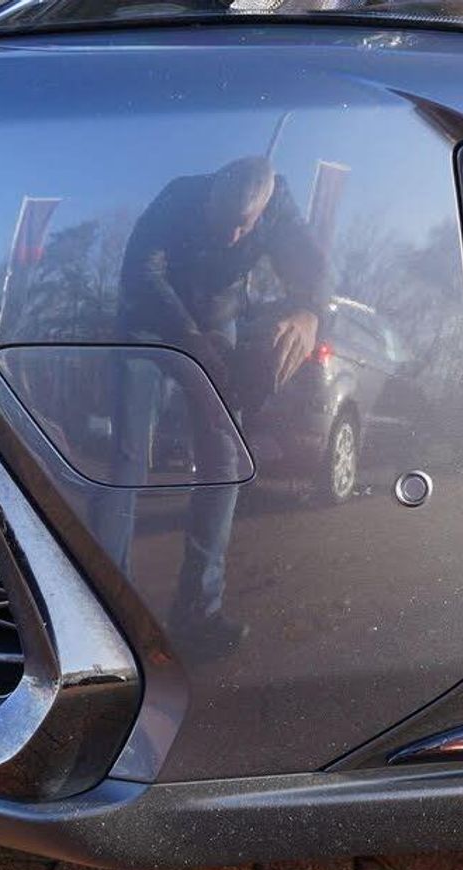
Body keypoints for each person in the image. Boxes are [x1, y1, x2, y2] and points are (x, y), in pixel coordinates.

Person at [108, 156, 329, 642]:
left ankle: (198, 610)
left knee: (224, 459)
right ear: (210, 193)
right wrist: (192, 340)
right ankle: (104, 606)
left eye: (244, 225)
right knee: (125, 457)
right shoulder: (177, 196)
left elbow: (309, 264)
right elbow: (142, 275)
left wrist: (309, 311)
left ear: (265, 206)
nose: (232, 236)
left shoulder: (279, 204)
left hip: (217, 321)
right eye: (223, 221)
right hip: (149, 323)